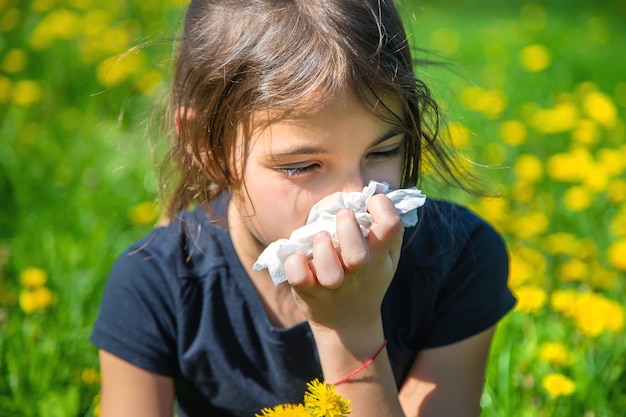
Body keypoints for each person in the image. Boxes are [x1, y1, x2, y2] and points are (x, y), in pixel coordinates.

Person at [90, 0, 516, 416]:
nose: (353, 198)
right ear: (207, 146)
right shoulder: (156, 285)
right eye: (302, 166)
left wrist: (351, 332)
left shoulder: (458, 258)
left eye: (384, 150)